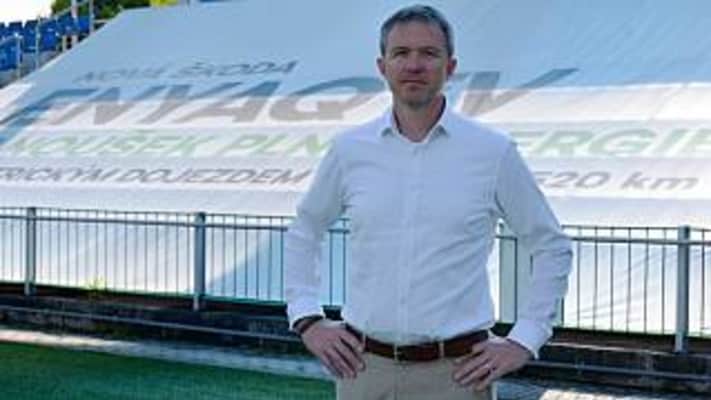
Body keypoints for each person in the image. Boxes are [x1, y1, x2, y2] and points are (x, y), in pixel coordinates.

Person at [284, 4, 572, 400]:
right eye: (401, 53)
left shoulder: (492, 152)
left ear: (450, 67)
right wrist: (306, 317)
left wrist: (526, 338)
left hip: (457, 375)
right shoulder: (349, 150)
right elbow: (305, 229)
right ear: (382, 66)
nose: (414, 65)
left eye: (429, 53)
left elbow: (551, 244)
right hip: (364, 371)